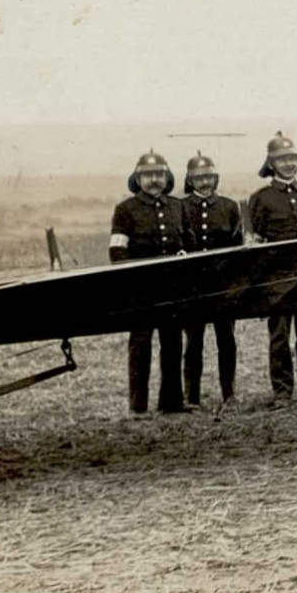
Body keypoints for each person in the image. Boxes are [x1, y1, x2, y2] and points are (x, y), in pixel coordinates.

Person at [109, 150, 192, 415]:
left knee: (173, 346)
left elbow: (189, 244)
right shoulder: (125, 210)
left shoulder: (178, 207)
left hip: (173, 291)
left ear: (167, 178)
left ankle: (172, 403)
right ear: (137, 179)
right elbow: (117, 252)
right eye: (148, 175)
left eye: (159, 175)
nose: (154, 180)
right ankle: (139, 407)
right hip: (141, 293)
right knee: (140, 348)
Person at [247, 132, 297, 408]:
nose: (289, 164)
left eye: (293, 158)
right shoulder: (261, 198)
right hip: (277, 281)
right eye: (282, 160)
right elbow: (253, 243)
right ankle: (282, 393)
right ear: (271, 163)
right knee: (279, 337)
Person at [182, 152, 244, 410]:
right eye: (198, 178)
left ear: (215, 178)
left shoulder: (229, 206)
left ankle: (229, 394)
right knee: (193, 342)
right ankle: (191, 396)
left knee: (226, 341)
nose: (204, 183)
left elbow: (238, 245)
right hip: (194, 287)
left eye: (208, 177)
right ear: (189, 180)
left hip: (222, 287)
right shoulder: (181, 207)